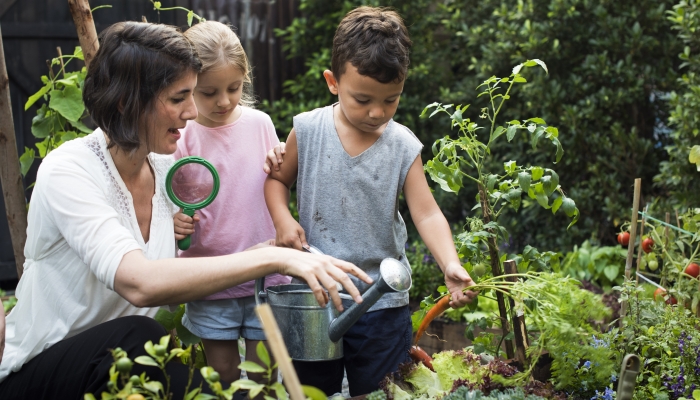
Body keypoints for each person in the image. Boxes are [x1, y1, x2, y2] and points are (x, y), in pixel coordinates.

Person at [0, 21, 370, 400]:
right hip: (37, 376)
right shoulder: (71, 169)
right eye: (179, 99)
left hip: (114, 377)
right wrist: (272, 260)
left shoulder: (168, 172)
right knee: (140, 336)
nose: (194, 112)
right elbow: (140, 282)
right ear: (128, 101)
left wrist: (272, 254)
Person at [264, 6, 477, 396]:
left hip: (382, 302)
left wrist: (450, 263)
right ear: (333, 82)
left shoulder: (402, 144)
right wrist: (282, 218)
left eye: (390, 100)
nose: (377, 113)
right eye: (362, 99)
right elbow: (277, 180)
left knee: (382, 390)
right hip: (316, 296)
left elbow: (426, 212)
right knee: (310, 391)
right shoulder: (308, 129)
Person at [171, 20, 291, 385]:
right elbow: (166, 201)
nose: (223, 101)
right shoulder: (179, 136)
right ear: (188, 84)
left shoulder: (260, 123)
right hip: (209, 279)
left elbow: (277, 180)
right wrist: (173, 221)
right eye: (208, 92)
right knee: (223, 373)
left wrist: (284, 159)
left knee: (265, 377)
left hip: (264, 275)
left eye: (234, 88)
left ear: (245, 79)